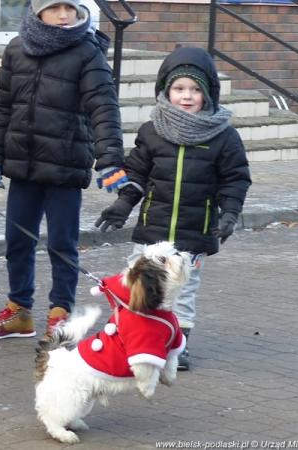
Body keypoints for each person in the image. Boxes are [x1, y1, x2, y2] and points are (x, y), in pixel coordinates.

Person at [0, 0, 126, 340]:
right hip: (23, 166)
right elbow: (3, 107)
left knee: (61, 243)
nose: (63, 15)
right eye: (54, 7)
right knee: (17, 240)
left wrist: (110, 159)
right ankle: (19, 312)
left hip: (64, 166)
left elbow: (104, 107)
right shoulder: (17, 49)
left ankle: (60, 315)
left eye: (69, 8)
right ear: (37, 10)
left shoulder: (87, 52)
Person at [95, 46, 251, 370]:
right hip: (152, 229)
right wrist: (123, 204)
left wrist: (230, 214)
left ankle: (177, 346)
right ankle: (133, 337)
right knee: (137, 285)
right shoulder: (152, 131)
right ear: (166, 91)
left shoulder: (224, 136)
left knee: (182, 292)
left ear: (208, 94)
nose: (186, 96)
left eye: (195, 90)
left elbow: (235, 180)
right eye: (179, 88)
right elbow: (137, 173)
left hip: (194, 233)